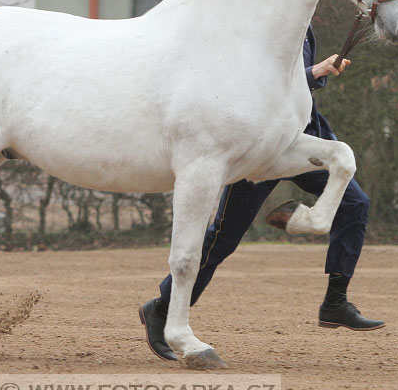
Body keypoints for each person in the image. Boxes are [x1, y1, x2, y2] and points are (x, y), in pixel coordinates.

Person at [139, 24, 384, 361]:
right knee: (223, 240)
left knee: (354, 203)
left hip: (301, 136)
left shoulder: (305, 26)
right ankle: (162, 309)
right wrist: (314, 73)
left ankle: (335, 302)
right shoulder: (261, 26)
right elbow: (262, 86)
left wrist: (316, 72)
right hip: (258, 143)